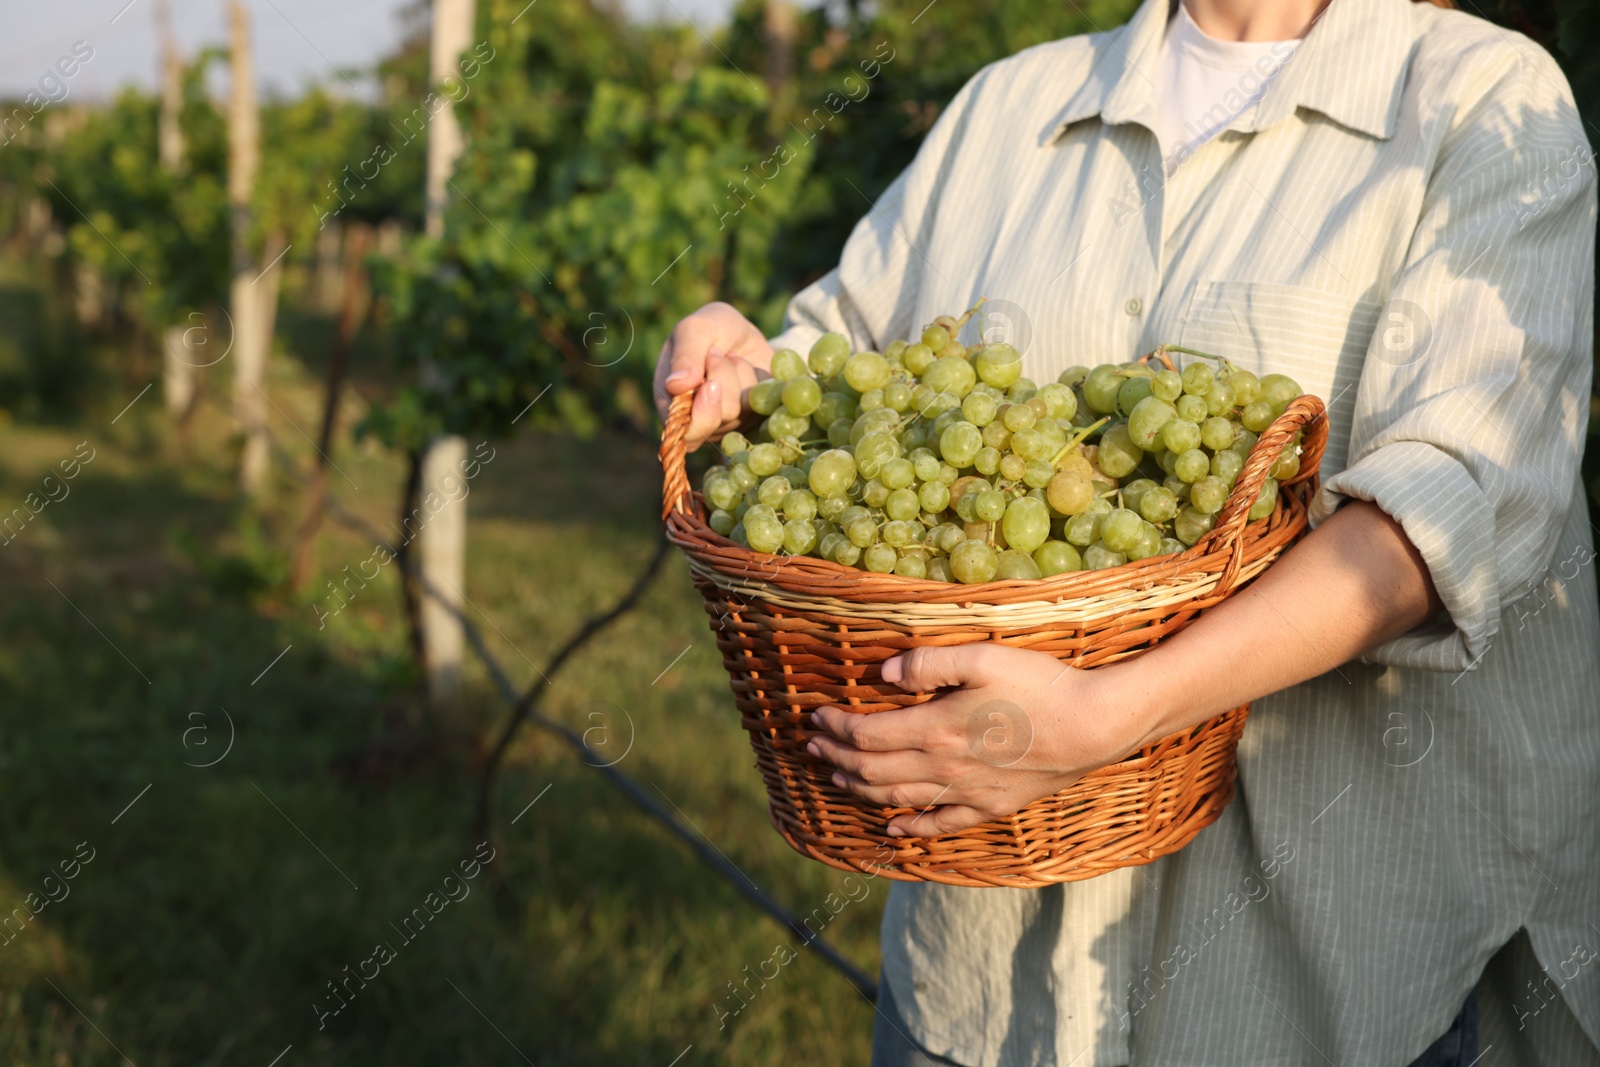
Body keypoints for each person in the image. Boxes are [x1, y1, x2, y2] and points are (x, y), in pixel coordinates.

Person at [653, 0, 1600, 1060]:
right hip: (979, 989)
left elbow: (1451, 504)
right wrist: (733, 352)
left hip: (1323, 989)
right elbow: (837, 370)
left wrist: (1107, 714)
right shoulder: (1009, 107)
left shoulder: (1480, 98)